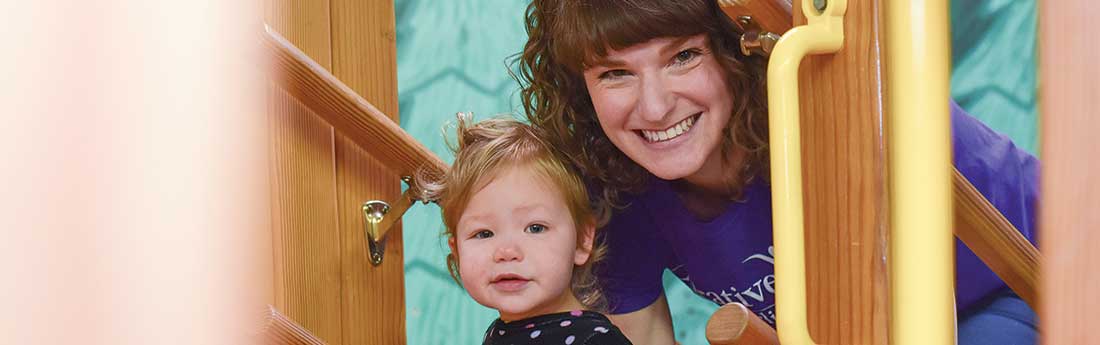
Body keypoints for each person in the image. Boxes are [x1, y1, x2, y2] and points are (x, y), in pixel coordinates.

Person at [513, 1, 1040, 344]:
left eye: (684, 57)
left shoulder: (833, 105)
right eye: (615, 74)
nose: (653, 108)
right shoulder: (620, 190)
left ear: (735, 54)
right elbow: (642, 335)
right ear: (580, 89)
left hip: (1025, 285)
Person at [418, 114, 632, 345]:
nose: (507, 251)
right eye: (484, 233)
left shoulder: (596, 341)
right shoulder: (502, 333)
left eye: (535, 228)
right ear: (457, 252)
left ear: (581, 240)